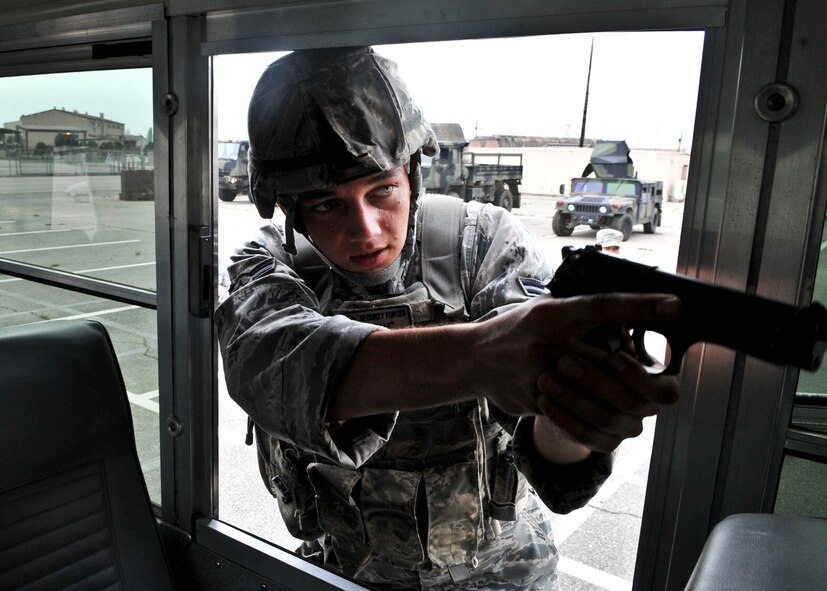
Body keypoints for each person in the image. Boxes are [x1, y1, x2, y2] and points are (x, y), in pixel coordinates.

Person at [216, 46, 680, 591]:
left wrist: (573, 411)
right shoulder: (270, 261)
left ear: (413, 173)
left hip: (498, 574)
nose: (365, 230)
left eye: (382, 190)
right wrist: (484, 355)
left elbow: (550, 457)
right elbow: (266, 362)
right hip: (343, 570)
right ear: (290, 208)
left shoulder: (479, 243)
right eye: (326, 205)